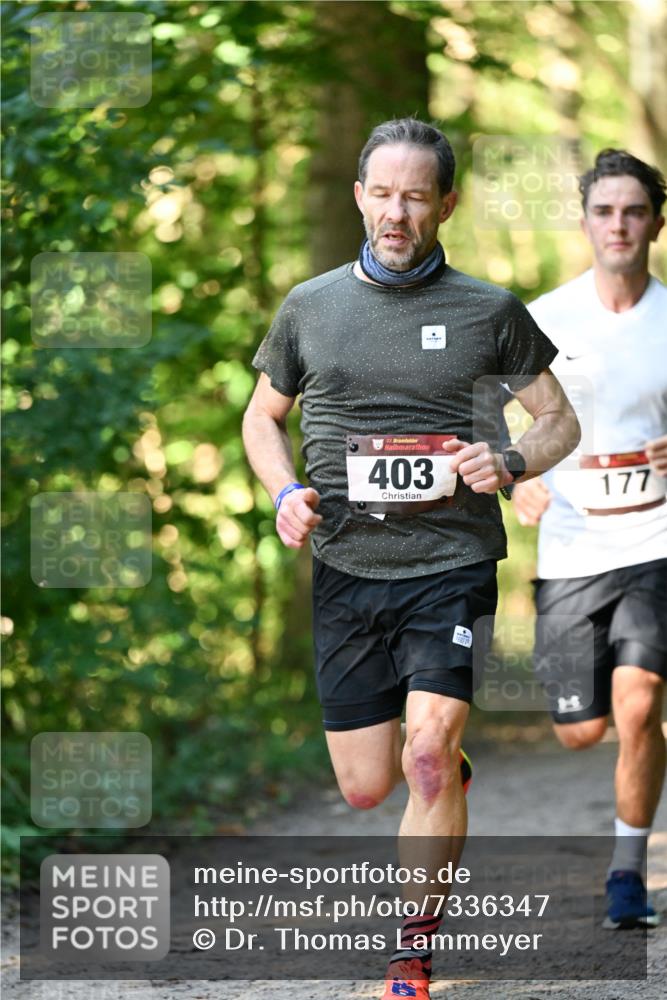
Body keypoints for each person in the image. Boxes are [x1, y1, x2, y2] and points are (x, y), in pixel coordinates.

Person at [243, 118, 579, 999]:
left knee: (424, 753)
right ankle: (445, 770)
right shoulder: (309, 306)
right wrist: (284, 491)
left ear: (446, 204)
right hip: (347, 566)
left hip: (450, 563)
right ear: (360, 196)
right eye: (383, 195)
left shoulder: (489, 311)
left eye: (416, 197)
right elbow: (261, 417)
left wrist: (509, 460)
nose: (396, 214)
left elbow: (558, 420)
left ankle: (411, 952)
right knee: (364, 786)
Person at [513, 148, 667, 930]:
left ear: (656, 223)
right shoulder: (542, 318)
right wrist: (515, 477)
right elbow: (487, 413)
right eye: (604, 211)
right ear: (583, 223)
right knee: (579, 731)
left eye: (633, 211)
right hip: (571, 546)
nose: (618, 225)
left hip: (653, 538)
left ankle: (626, 872)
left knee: (638, 705)